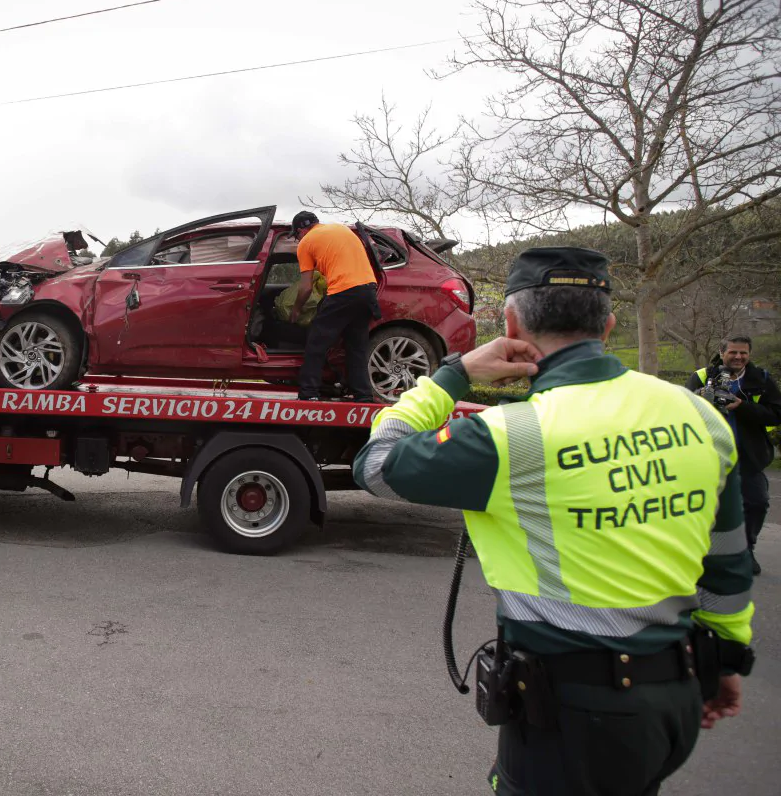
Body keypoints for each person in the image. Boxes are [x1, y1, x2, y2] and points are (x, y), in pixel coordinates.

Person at [353, 247, 755, 796]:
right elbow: (729, 562)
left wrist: (453, 375)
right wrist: (728, 659)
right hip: (676, 697)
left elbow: (376, 466)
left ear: (511, 324)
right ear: (609, 323)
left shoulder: (511, 436)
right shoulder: (698, 413)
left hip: (572, 713)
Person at [686, 336, 781, 575]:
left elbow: (776, 415)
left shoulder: (761, 379)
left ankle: (746, 549)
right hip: (708, 455)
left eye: (743, 353)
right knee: (704, 506)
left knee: (757, 503)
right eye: (733, 353)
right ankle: (703, 552)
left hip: (748, 456)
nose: (739, 357)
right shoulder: (701, 377)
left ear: (749, 354)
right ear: (722, 352)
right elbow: (681, 410)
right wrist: (700, 397)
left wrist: (742, 406)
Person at [287, 211, 380, 401]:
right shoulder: (341, 229)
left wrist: (296, 310)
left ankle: (308, 393)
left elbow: (306, 287)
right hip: (368, 291)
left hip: (343, 292)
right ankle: (363, 395)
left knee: (316, 342)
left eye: (296, 236)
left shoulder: (306, 242)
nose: (297, 240)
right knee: (356, 346)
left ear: (300, 231)